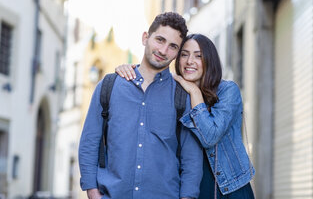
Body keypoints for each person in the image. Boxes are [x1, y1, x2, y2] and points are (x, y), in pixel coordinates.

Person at [79, 12, 203, 199]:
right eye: (159, 40)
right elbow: (89, 142)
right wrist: (93, 192)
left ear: (177, 53)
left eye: (172, 47)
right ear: (145, 37)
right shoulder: (109, 86)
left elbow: (191, 158)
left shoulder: (181, 95)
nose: (163, 50)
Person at [116, 34, 255, 199]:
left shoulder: (227, 91)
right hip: (188, 189)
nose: (190, 61)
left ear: (209, 60)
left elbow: (210, 136)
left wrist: (194, 91)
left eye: (198, 56)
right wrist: (129, 70)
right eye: (184, 54)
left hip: (230, 189)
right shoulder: (173, 93)